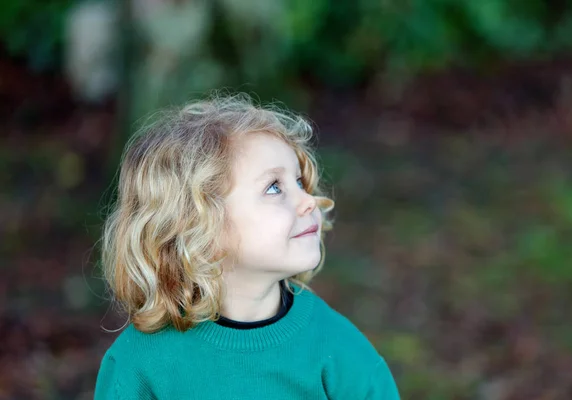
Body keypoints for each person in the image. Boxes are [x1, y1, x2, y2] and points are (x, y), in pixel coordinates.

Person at [94, 93, 400, 399]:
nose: (309, 201)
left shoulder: (337, 350)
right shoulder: (139, 365)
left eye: (299, 182)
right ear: (198, 225)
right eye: (274, 187)